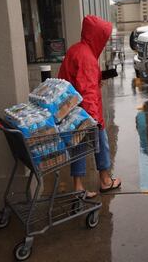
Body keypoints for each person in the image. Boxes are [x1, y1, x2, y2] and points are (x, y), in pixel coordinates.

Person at [58, 15, 122, 198]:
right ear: (97, 36)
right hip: (86, 113)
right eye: (104, 37)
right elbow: (88, 92)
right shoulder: (87, 58)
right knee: (101, 143)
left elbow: (72, 80)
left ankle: (78, 186)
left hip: (72, 111)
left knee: (78, 147)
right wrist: (96, 121)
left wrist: (96, 80)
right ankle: (105, 180)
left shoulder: (75, 50)